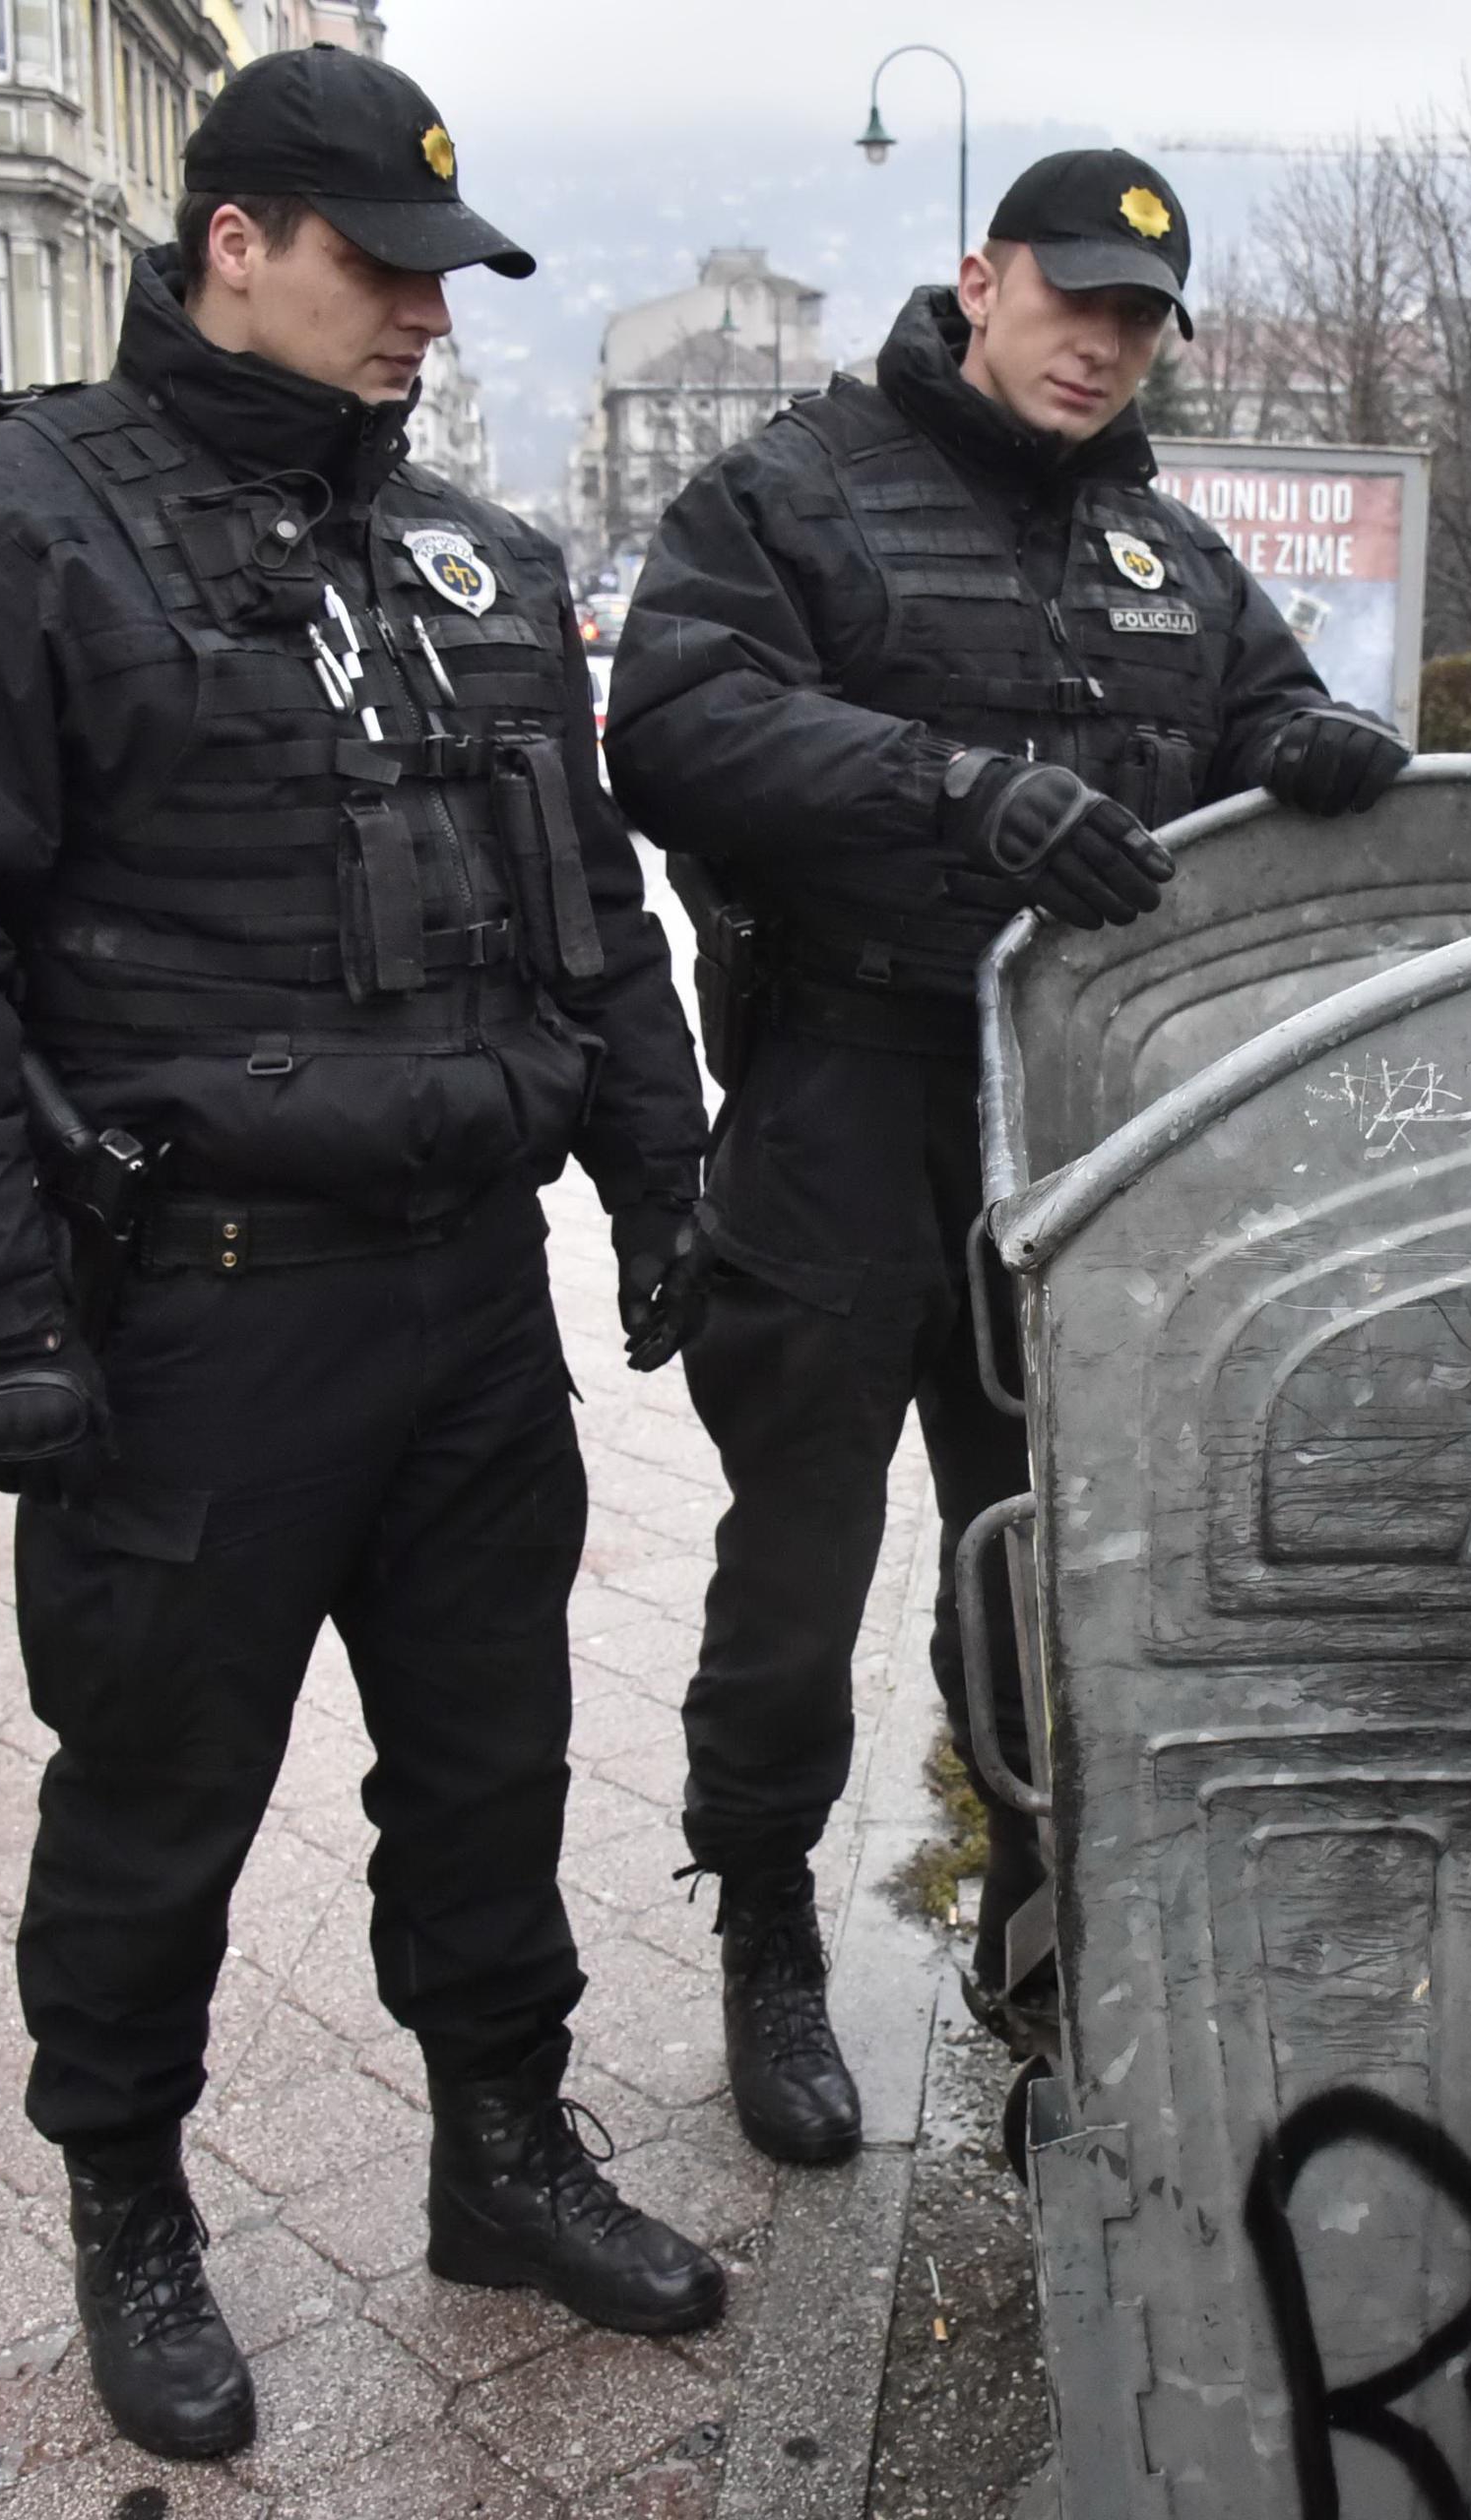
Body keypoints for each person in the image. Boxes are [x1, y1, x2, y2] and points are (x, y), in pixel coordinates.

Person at [0, 44, 724, 2464]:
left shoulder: (479, 562)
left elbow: (588, 915)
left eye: (444, 274)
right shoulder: (21, 525)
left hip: (463, 1299)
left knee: (495, 1761)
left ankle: (502, 2158)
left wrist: (659, 1170)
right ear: (231, 242)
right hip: (190, 1311)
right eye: (379, 268)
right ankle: (130, 2208)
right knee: (158, 1789)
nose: (424, 312)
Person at [604, 150, 1413, 2164]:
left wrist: (1309, 754)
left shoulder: (1162, 548)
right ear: (982, 279)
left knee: (1056, 1566)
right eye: (1077, 301)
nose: (1105, 346)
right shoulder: (798, 488)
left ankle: (1040, 1934)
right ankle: (771, 1934)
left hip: (1063, 1134)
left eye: (1143, 321)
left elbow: (1261, 714)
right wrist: (957, 790)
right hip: (841, 1105)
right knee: (796, 1563)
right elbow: (673, 728)